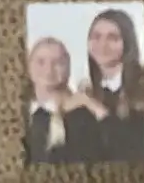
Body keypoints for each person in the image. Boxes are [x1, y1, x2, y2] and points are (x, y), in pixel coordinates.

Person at [82, 6, 144, 163]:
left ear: (127, 42)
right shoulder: (88, 92)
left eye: (112, 38)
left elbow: (134, 149)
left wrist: (97, 110)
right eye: (96, 36)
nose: (102, 44)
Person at [21, 33, 102, 163]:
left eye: (58, 62)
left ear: (68, 68)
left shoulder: (85, 115)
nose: (49, 70)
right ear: (28, 67)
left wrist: (91, 104)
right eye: (41, 62)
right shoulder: (21, 117)